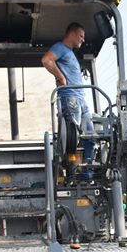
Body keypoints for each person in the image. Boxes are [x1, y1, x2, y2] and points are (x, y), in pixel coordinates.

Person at [41, 22, 94, 178]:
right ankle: (70, 172)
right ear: (71, 34)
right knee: (72, 139)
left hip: (81, 100)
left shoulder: (70, 53)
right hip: (71, 99)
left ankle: (88, 170)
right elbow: (46, 60)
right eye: (81, 36)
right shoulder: (60, 47)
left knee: (90, 136)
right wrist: (60, 77)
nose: (83, 40)